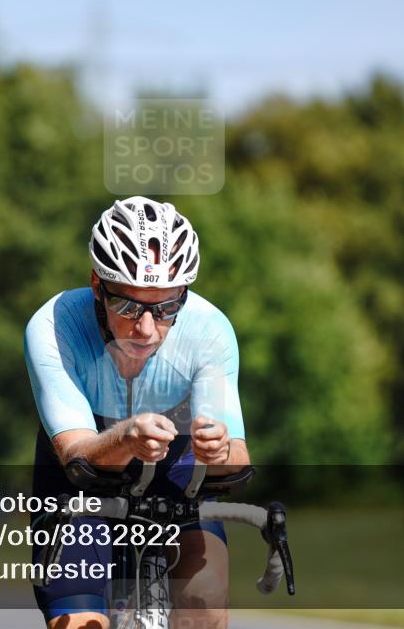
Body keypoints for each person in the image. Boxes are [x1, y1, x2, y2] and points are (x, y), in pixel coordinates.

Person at [24, 196, 248, 629]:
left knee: (204, 603)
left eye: (166, 308)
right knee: (79, 623)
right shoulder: (53, 326)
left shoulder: (210, 330)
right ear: (96, 285)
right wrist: (126, 437)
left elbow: (238, 457)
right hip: (84, 473)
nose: (146, 328)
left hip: (177, 458)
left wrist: (220, 453)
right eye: (128, 306)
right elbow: (76, 454)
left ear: (184, 294)